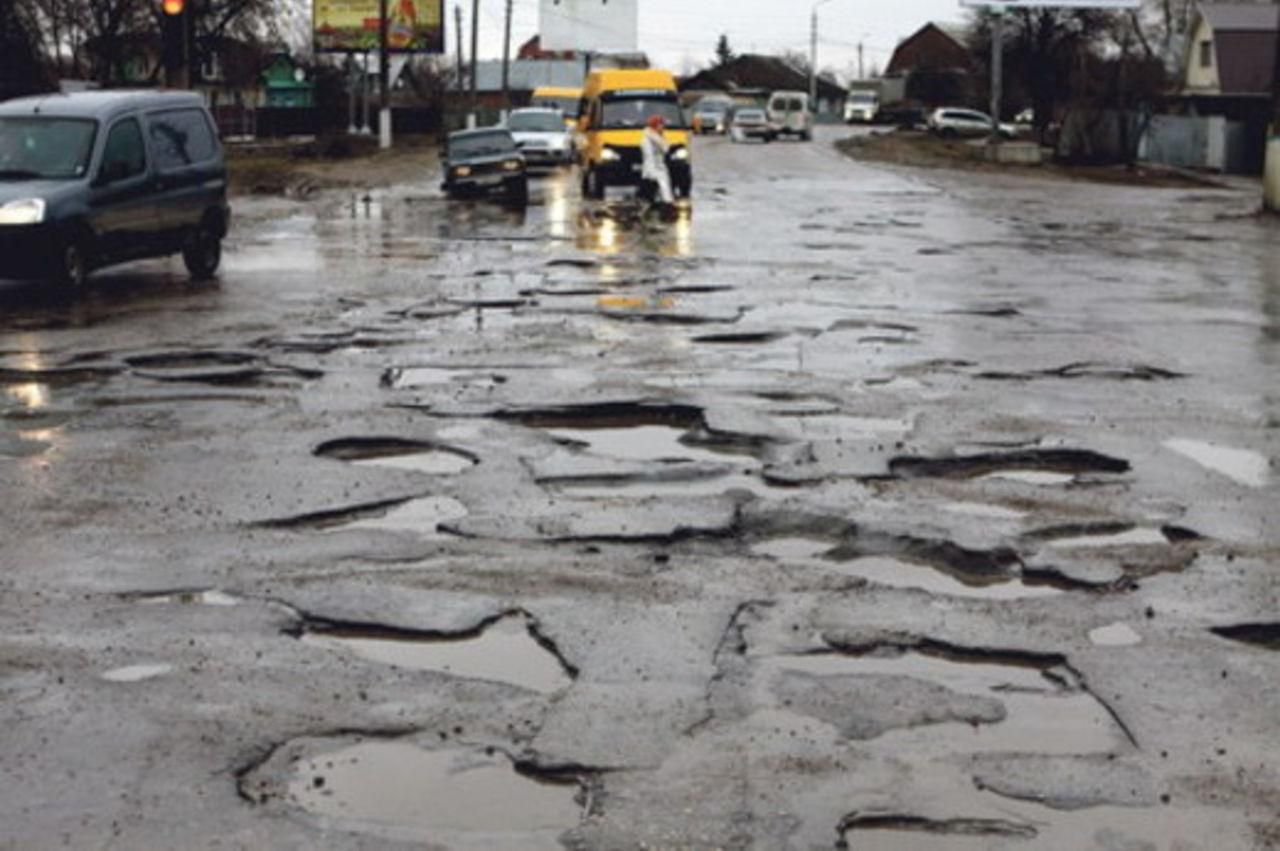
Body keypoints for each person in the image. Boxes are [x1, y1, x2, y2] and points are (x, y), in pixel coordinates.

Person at [640, 114, 675, 216]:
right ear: (654, 126)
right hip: (653, 169)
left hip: (660, 167)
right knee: (660, 188)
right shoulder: (647, 140)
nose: (662, 127)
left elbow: (665, 149)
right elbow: (648, 157)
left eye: (662, 125)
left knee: (664, 188)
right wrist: (651, 173)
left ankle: (665, 207)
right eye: (660, 125)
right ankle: (664, 208)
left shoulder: (659, 138)